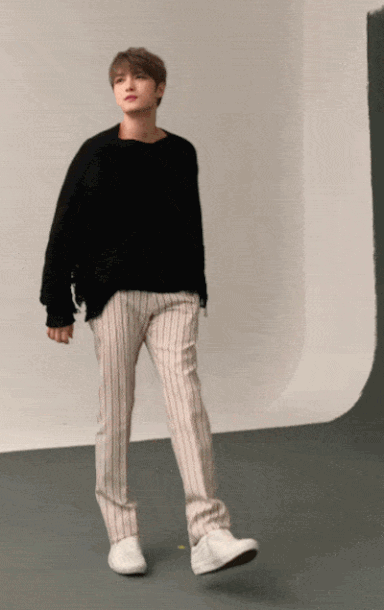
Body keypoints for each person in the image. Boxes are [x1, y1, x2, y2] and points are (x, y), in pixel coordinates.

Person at [40, 47, 259, 576]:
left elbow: (189, 225)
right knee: (115, 412)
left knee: (188, 405)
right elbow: (65, 225)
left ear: (159, 89)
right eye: (119, 79)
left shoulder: (182, 152)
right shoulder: (95, 153)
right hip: (115, 296)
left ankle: (209, 532)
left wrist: (196, 287)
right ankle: (122, 534)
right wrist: (58, 303)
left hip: (175, 295)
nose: (128, 85)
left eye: (139, 77)